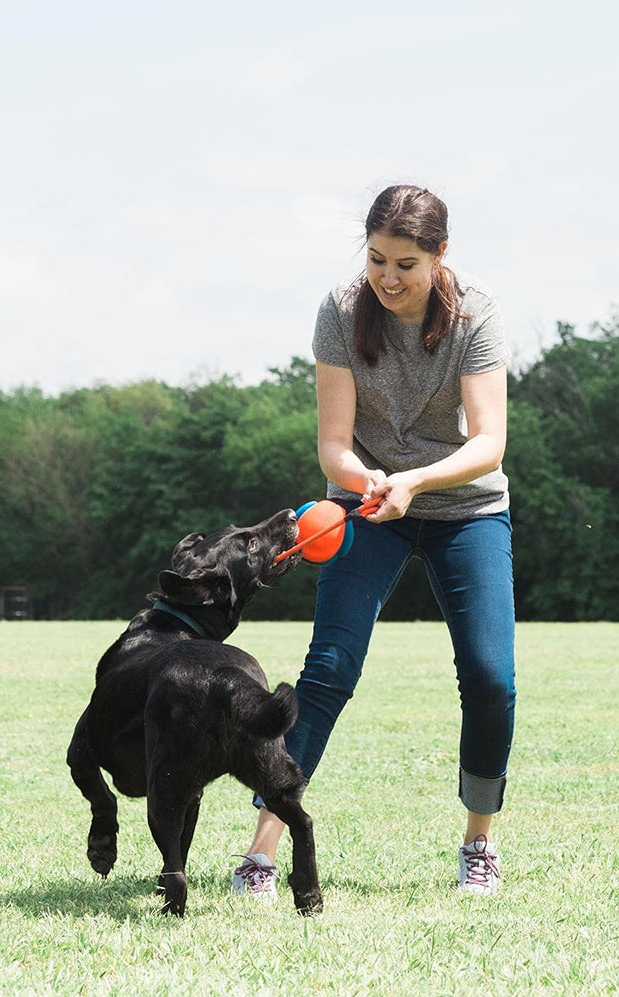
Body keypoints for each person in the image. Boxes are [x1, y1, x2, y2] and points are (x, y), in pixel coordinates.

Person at [232, 184, 515, 901]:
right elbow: (333, 446)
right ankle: (263, 854)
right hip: (365, 501)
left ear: (440, 256)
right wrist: (374, 484)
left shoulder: (477, 314)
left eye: (407, 264)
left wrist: (416, 482)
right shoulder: (340, 309)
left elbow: (489, 443)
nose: (388, 278)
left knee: (490, 679)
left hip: (466, 509)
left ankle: (479, 844)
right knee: (327, 671)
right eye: (378, 259)